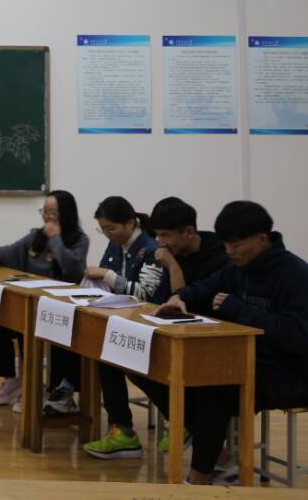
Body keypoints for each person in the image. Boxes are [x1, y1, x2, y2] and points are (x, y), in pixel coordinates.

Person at [142, 201, 308, 485]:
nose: (229, 251)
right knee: (159, 368)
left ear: (262, 239)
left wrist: (238, 309)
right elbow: (206, 287)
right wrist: (180, 299)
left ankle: (200, 477)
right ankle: (219, 459)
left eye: (236, 244)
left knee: (214, 386)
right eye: (226, 244)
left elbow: (296, 335)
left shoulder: (295, 275)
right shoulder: (238, 267)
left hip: (289, 371)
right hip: (247, 358)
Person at [82, 196, 227, 460]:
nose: (159, 241)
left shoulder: (217, 257)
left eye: (164, 235)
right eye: (158, 234)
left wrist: (171, 265)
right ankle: (126, 430)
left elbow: (182, 299)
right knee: (112, 353)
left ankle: (186, 421)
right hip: (172, 328)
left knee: (139, 361)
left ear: (189, 232)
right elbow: (173, 300)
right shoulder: (166, 249)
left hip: (209, 340)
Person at [0, 190, 89, 410]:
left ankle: (31, 388)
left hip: (58, 308)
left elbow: (73, 270)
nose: (47, 218)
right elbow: (8, 252)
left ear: (66, 214)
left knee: (28, 328)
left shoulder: (79, 240)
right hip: (29, 301)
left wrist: (55, 239)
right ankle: (12, 380)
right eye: (45, 212)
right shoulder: (35, 237)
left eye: (53, 213)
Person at [83, 196, 161, 299]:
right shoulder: (114, 243)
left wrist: (107, 275)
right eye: (103, 230)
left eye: (111, 229)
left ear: (130, 223)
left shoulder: (152, 249)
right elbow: (102, 277)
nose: (107, 235)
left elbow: (145, 294)